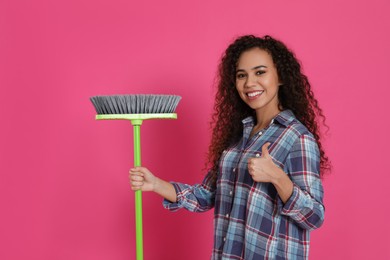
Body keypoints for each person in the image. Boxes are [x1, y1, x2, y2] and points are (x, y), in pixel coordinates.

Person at [129, 35, 330, 260]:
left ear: (281, 76)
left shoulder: (297, 137)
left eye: (260, 72)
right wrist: (156, 184)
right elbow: (207, 195)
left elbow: (314, 216)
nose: (249, 83)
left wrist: (278, 178)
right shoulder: (238, 139)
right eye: (241, 75)